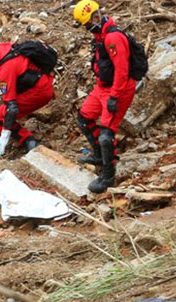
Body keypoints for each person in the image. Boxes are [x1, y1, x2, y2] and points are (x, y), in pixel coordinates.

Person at [0, 39, 55, 183]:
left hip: (38, 92)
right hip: (41, 83)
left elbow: (11, 108)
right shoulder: (3, 48)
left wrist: (4, 135)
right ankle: (29, 141)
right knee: (1, 115)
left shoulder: (5, 69)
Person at [73, 0, 137, 193]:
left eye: (87, 24)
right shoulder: (100, 34)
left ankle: (108, 175)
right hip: (103, 87)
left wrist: (114, 96)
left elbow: (122, 70)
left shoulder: (113, 37)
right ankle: (99, 156)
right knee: (84, 118)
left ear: (96, 17)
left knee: (106, 136)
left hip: (119, 88)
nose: (87, 28)